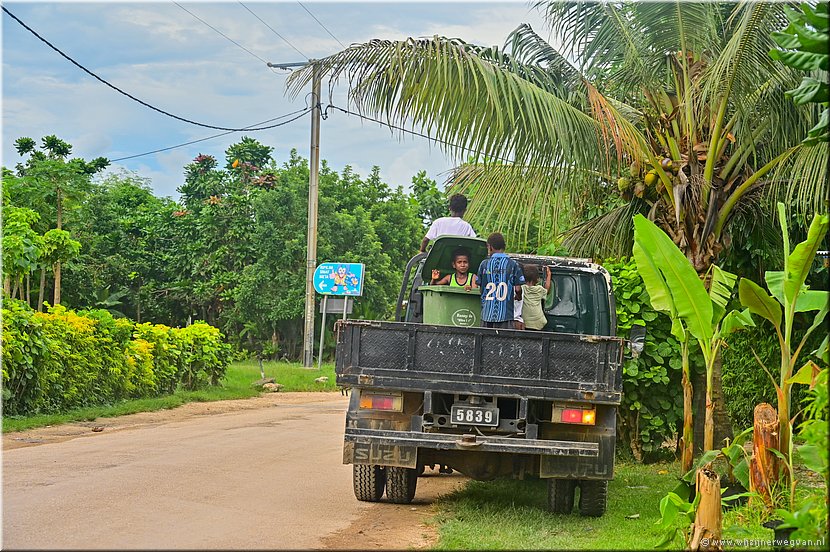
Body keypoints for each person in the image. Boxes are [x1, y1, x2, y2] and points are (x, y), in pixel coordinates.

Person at [476, 232, 525, 328]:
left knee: (485, 341)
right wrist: (518, 296)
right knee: (504, 341)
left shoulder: (484, 264)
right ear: (504, 247)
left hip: (487, 314)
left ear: (489, 247)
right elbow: (518, 289)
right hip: (506, 315)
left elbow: (481, 288)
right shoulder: (513, 264)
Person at [521, 264, 552, 330]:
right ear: (537, 279)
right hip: (538, 322)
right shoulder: (539, 289)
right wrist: (549, 275)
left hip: (525, 322)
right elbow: (547, 290)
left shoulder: (522, 288)